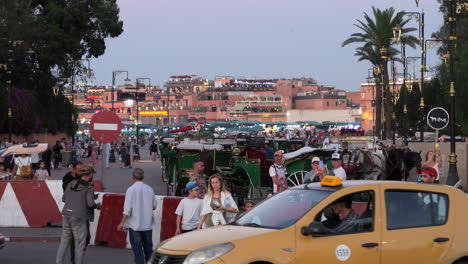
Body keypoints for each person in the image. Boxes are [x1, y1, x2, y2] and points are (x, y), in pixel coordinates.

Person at [56, 165, 101, 264]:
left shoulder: (72, 183)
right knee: (79, 245)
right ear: (90, 175)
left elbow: (64, 198)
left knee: (64, 242)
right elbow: (90, 203)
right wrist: (97, 206)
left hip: (66, 214)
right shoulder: (88, 187)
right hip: (79, 217)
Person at [117, 168, 157, 264]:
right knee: (149, 251)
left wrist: (121, 223)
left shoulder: (131, 190)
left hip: (135, 226)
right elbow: (154, 206)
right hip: (147, 226)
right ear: (143, 177)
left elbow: (127, 210)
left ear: (133, 177)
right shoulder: (149, 189)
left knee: (138, 253)